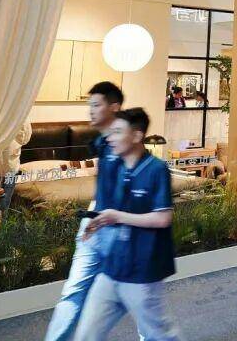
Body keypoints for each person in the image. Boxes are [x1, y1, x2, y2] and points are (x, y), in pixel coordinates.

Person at [75, 108, 181, 341]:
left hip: (142, 272)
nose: (110, 138)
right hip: (112, 267)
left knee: (161, 336)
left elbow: (163, 218)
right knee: (86, 335)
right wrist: (98, 221)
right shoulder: (118, 168)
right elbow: (116, 209)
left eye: (117, 132)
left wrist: (117, 217)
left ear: (136, 136)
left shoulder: (156, 169)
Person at [45, 82, 125, 341]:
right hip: (95, 225)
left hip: (116, 230)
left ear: (114, 107)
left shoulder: (125, 143)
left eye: (96, 105)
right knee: (74, 293)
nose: (90, 110)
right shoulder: (101, 142)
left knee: (136, 298)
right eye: (89, 105)